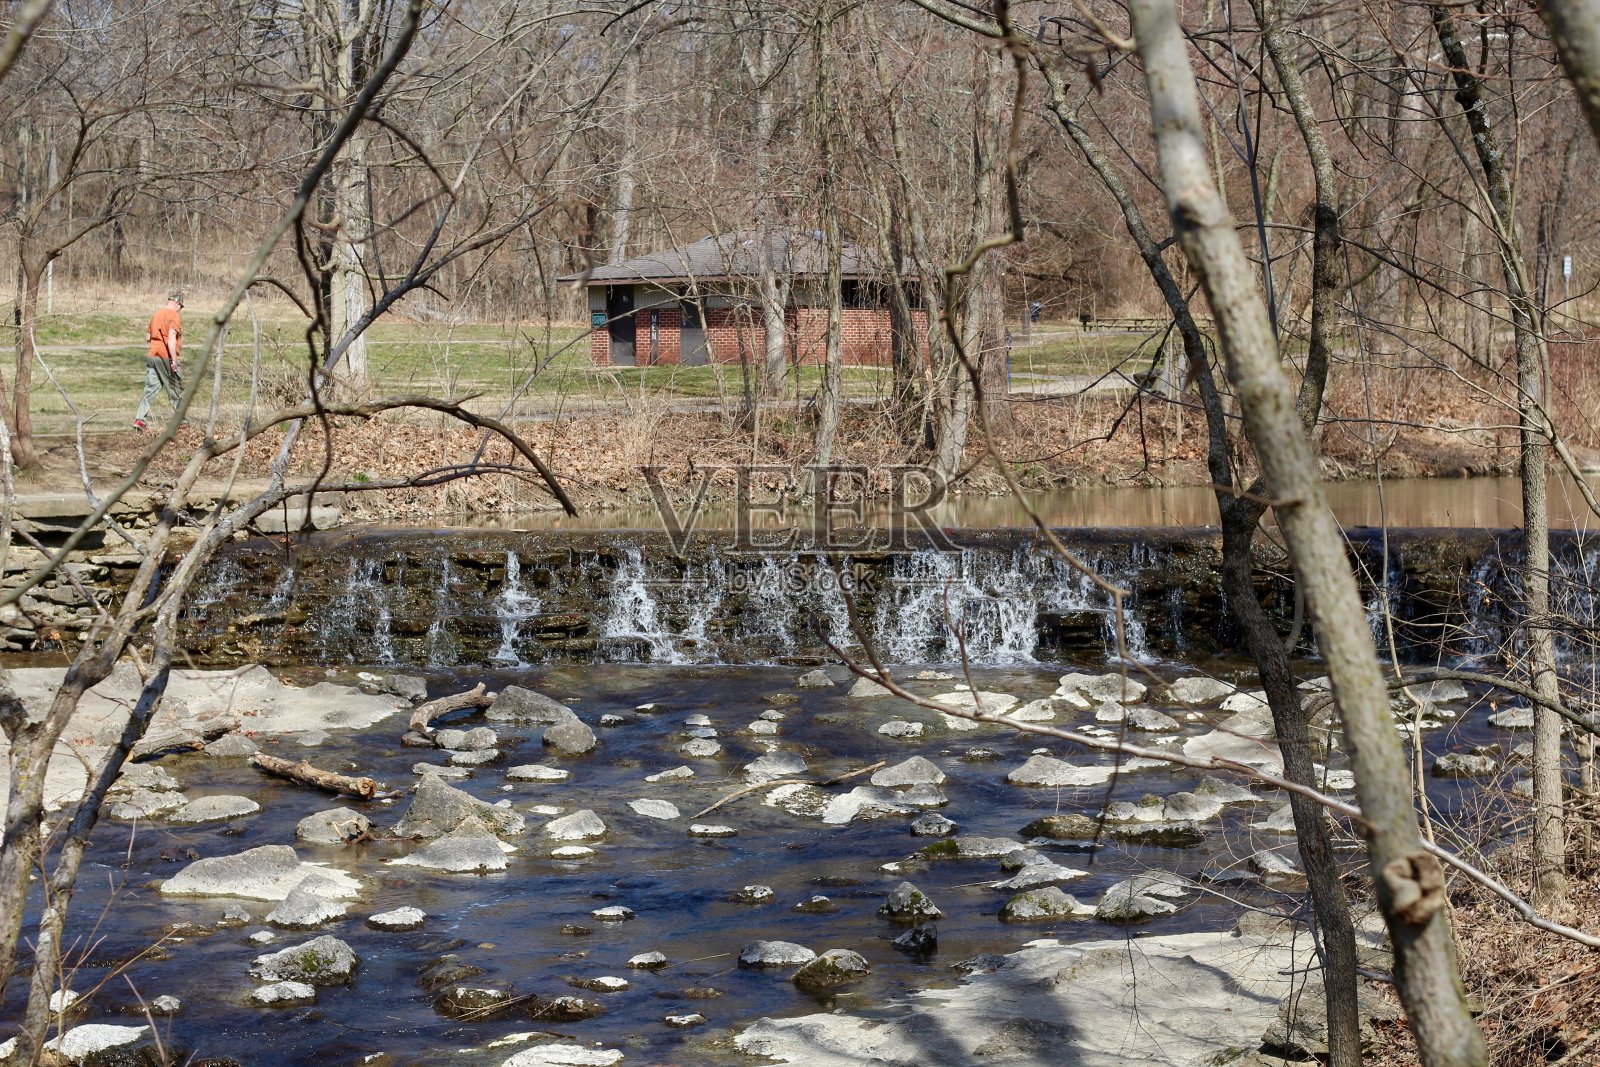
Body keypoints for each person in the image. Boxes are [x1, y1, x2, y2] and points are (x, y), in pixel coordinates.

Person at [135, 290, 184, 431]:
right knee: (175, 388)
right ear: (177, 304)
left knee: (150, 389)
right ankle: (181, 421)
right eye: (180, 307)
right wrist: (174, 360)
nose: (180, 310)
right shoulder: (174, 315)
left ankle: (140, 420)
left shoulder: (156, 314)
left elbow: (147, 337)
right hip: (165, 356)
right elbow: (171, 338)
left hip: (152, 355)